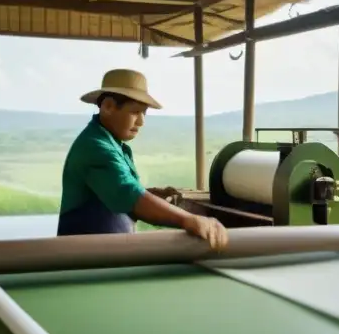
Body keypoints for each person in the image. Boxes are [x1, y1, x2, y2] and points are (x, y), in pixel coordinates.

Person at [57, 68, 227, 251]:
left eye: (144, 113)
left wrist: (151, 195)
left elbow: (116, 191)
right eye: (135, 112)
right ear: (108, 107)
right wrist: (188, 220)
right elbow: (129, 194)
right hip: (84, 259)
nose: (141, 122)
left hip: (108, 255)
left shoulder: (114, 145)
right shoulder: (96, 148)